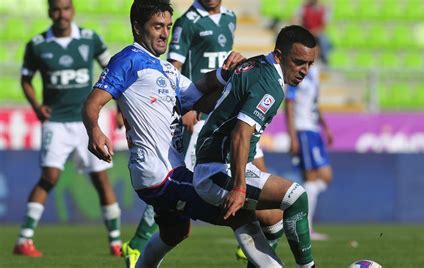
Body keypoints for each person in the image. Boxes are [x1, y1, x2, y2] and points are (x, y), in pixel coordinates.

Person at [83, 1, 283, 267]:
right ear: (137, 27)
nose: (164, 33)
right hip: (159, 174)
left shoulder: (165, 68)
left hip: (170, 170)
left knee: (176, 232)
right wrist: (94, 130)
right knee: (240, 214)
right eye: (157, 26)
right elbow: (92, 103)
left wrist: (229, 76)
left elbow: (199, 96)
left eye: (167, 26)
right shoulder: (128, 59)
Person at [193, 25, 318, 267]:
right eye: (299, 62)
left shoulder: (254, 64)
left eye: (310, 64)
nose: (305, 70)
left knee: (272, 220)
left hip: (222, 165)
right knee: (296, 196)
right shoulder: (269, 84)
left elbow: (220, 98)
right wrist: (239, 188)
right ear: (280, 56)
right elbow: (241, 133)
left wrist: (196, 107)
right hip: (217, 171)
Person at [13, 0, 122, 257]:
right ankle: (23, 240)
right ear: (50, 12)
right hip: (56, 123)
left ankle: (115, 242)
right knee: (49, 177)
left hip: (89, 122)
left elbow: (113, 71)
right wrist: (37, 107)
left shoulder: (90, 39)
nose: (61, 14)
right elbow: (26, 80)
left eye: (65, 8)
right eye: (56, 9)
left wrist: (120, 108)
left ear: (72, 11)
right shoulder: (37, 45)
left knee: (101, 179)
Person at [285, 51, 333, 241]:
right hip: (302, 129)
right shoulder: (298, 72)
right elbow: (289, 103)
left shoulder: (315, 72)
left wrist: (325, 126)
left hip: (314, 129)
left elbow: (314, 103)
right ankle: (307, 228)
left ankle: (295, 210)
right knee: (311, 177)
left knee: (325, 176)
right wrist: (293, 136)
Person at [293, 0, 331, 64]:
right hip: (306, 31)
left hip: (317, 33)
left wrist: (313, 32)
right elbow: (295, 19)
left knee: (324, 40)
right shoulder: (304, 7)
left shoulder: (324, 9)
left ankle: (324, 58)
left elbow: (323, 27)